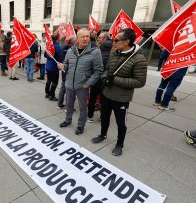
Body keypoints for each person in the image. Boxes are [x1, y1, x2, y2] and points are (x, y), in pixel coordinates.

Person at [91, 28, 147, 156]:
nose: (113, 42)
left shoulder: (139, 59)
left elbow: (139, 82)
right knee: (104, 117)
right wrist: (105, 77)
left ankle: (119, 144)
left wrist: (115, 79)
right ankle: (103, 135)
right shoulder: (114, 52)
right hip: (106, 93)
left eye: (116, 40)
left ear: (127, 41)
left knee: (121, 123)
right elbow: (107, 69)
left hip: (121, 97)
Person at [57, 29, 103, 135]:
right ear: (77, 38)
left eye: (87, 36)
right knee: (69, 105)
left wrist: (88, 83)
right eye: (83, 36)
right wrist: (62, 66)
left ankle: (80, 125)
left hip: (82, 86)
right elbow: (66, 64)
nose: (86, 38)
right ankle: (68, 120)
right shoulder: (70, 51)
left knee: (83, 107)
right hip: (69, 84)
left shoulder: (95, 52)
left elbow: (99, 71)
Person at [87, 32, 112, 122]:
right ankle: (102, 117)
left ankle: (90, 116)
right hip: (105, 81)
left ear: (105, 39)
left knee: (92, 98)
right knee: (103, 100)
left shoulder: (98, 54)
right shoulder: (113, 55)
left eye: (100, 38)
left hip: (97, 80)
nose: (98, 39)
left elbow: (93, 67)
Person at [57, 35, 75, 109]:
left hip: (64, 70)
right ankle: (68, 107)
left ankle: (59, 104)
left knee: (63, 88)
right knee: (69, 90)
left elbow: (61, 60)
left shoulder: (63, 48)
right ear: (73, 42)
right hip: (70, 72)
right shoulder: (73, 50)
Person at [44, 33, 62, 101]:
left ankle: (47, 93)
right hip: (54, 66)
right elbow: (61, 55)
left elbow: (45, 55)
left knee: (49, 80)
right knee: (54, 81)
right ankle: (52, 95)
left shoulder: (49, 45)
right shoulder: (57, 46)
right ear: (58, 38)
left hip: (48, 65)